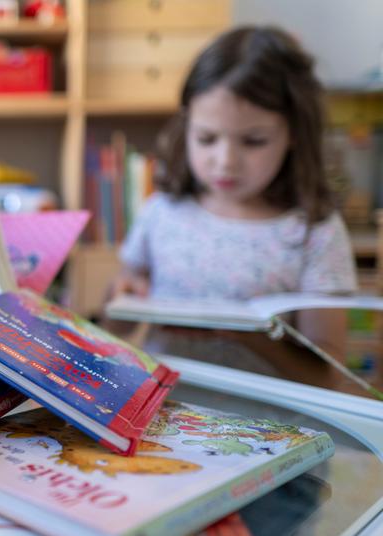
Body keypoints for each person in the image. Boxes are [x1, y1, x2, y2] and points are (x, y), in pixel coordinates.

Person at [112, 26, 358, 381]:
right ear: (187, 125)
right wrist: (122, 298)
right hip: (161, 415)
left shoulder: (315, 231)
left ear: (293, 134)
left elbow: (324, 375)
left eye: (254, 140)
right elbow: (114, 324)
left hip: (267, 429)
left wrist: (249, 335)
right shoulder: (162, 210)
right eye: (207, 138)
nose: (226, 161)